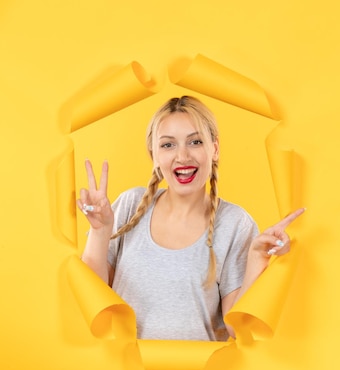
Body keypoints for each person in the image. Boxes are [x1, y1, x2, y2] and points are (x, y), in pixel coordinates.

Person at [77, 95, 304, 342]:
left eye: (195, 142)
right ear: (154, 154)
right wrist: (101, 230)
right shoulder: (130, 205)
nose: (182, 156)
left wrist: (258, 257)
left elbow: (238, 329)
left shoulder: (235, 224)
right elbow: (94, 302)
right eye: (168, 145)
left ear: (214, 149)